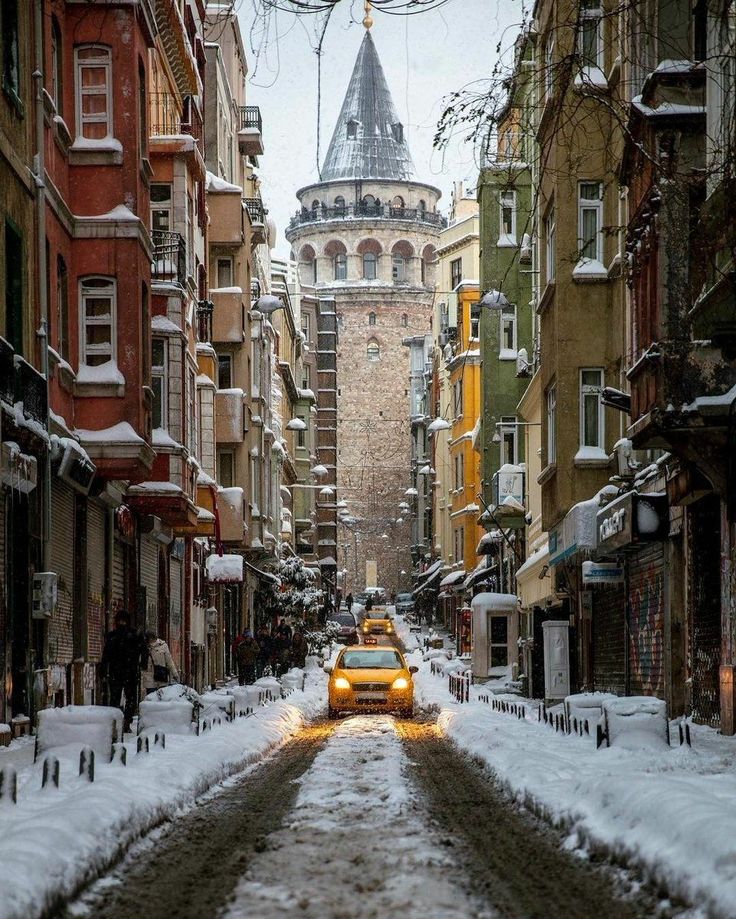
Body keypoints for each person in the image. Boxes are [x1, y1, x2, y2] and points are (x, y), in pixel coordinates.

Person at [101, 611, 147, 732]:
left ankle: (120, 722)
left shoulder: (113, 636)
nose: (121, 623)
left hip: (118, 672)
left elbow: (106, 656)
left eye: (122, 621)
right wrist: (143, 664)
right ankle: (125, 721)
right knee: (129, 698)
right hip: (129, 672)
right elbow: (144, 651)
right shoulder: (134, 635)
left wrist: (104, 671)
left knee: (117, 698)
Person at [142, 630, 179, 695]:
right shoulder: (144, 647)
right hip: (149, 677)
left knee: (161, 697)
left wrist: (175, 674)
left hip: (161, 675)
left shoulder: (163, 645)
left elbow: (169, 661)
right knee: (151, 697)